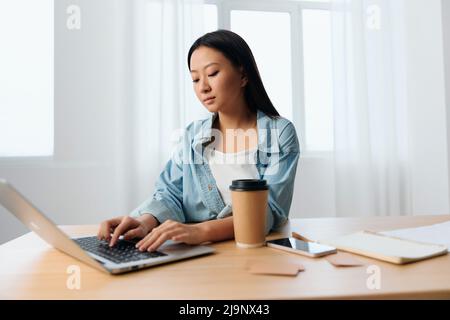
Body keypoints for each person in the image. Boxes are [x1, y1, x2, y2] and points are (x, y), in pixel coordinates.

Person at [97, 30, 300, 252]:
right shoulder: (192, 136)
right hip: (195, 255)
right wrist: (145, 222)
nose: (202, 87)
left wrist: (200, 231)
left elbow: (267, 212)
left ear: (243, 75)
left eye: (212, 73)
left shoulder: (279, 133)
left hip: (256, 253)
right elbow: (170, 194)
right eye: (195, 78)